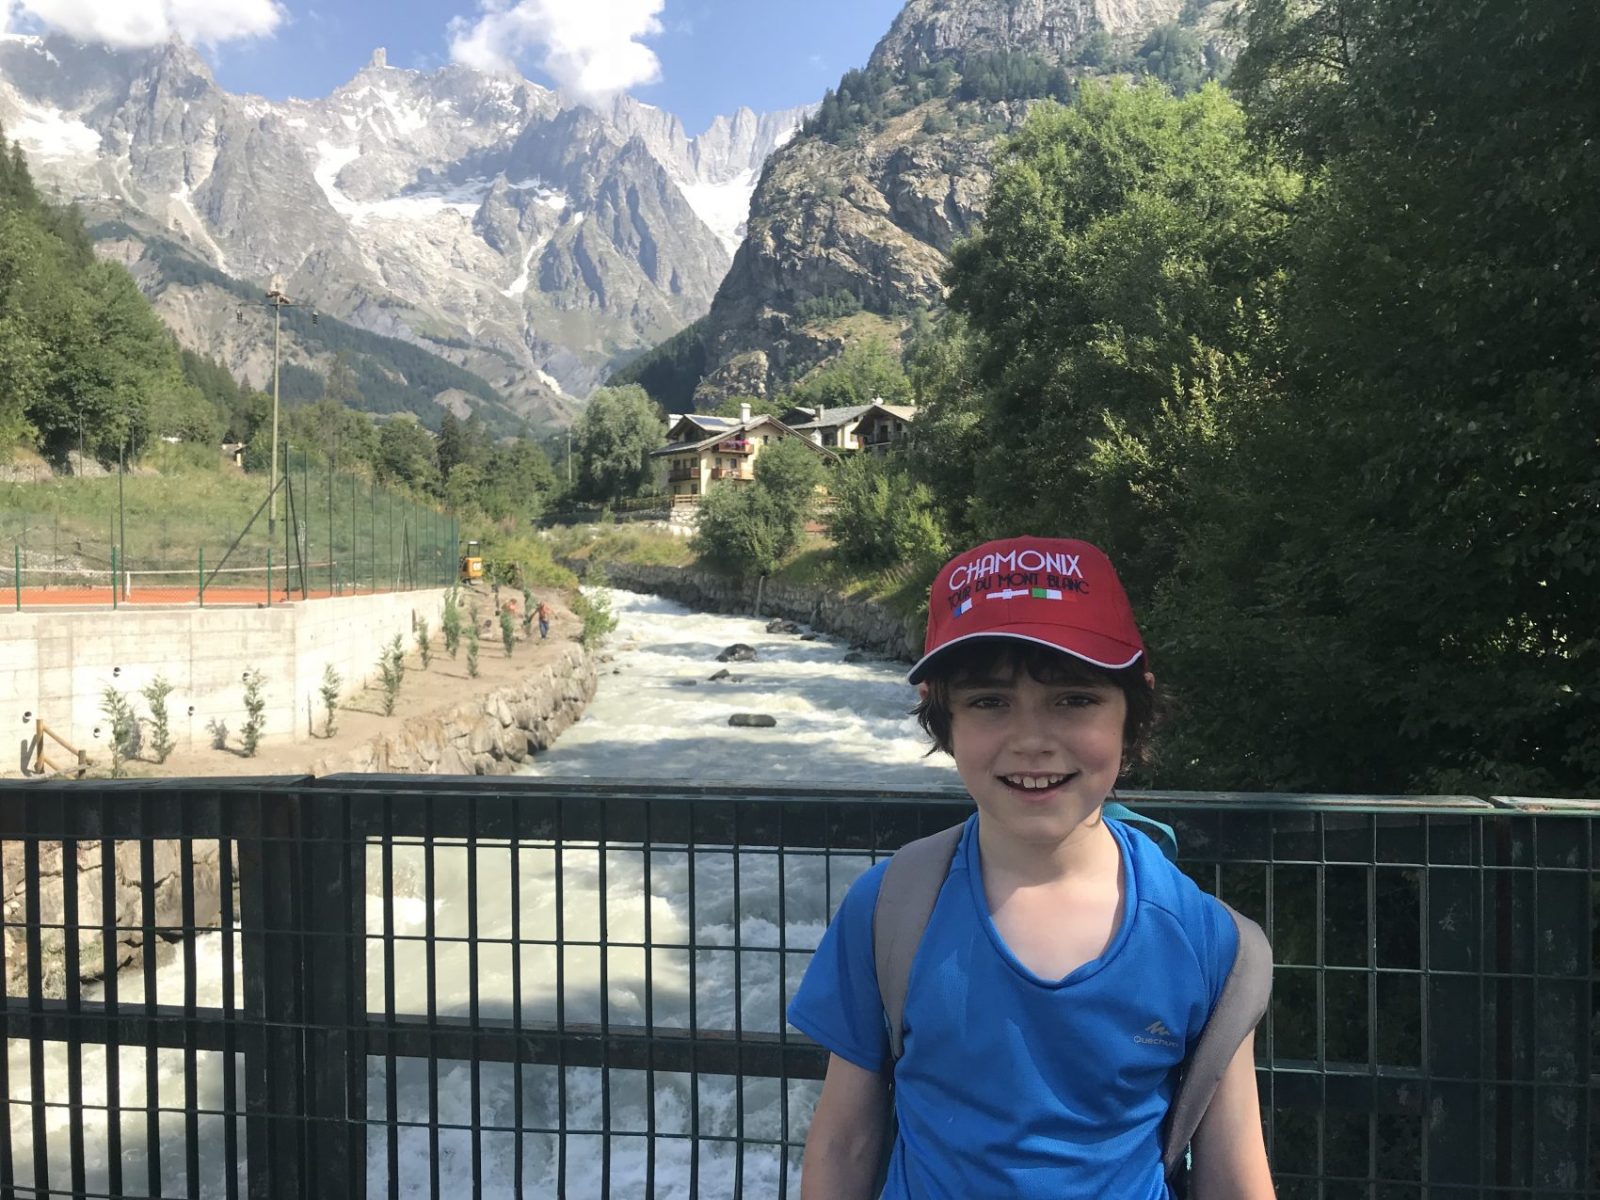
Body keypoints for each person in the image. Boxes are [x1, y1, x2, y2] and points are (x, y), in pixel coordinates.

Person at [787, 535, 1276, 1199]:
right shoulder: (890, 910)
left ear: (1133, 711)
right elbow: (846, 1143)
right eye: (989, 702)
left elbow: (1234, 1175)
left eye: (1074, 699)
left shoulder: (1208, 943)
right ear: (943, 717)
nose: (1032, 739)